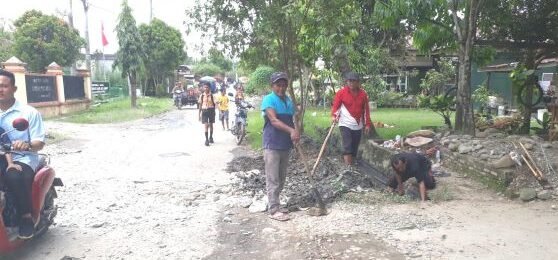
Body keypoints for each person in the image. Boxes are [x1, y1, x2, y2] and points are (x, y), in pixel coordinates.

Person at [0, 69, 46, 239]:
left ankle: (25, 217)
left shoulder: (28, 113)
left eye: (4, 86)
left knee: (13, 176)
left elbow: (39, 143)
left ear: (14, 89)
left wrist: (25, 145)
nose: (0, 90)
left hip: (23, 157)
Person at [261, 72, 300, 221]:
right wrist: (291, 130)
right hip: (272, 143)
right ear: (272, 86)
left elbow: (293, 118)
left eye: (284, 85)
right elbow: (274, 121)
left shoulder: (288, 101)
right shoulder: (269, 100)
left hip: (285, 144)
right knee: (273, 177)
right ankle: (273, 209)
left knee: (282, 177)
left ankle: (277, 203)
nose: (281, 88)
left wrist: (296, 132)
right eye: (278, 85)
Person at [331, 71, 371, 172]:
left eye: (353, 81)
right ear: (346, 82)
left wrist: (367, 124)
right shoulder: (341, 93)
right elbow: (336, 107)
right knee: (347, 145)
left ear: (358, 82)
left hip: (358, 124)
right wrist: (334, 116)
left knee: (355, 146)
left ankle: (352, 165)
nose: (351, 83)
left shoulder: (363, 94)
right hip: (345, 123)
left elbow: (366, 110)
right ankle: (348, 168)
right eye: (349, 81)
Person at [198, 82, 216, 146]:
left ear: (209, 88)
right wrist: (199, 115)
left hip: (211, 110)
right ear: (203, 88)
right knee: (206, 125)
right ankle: (206, 140)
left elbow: (215, 103)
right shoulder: (202, 96)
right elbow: (200, 105)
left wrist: (217, 110)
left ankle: (211, 137)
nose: (205, 88)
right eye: (204, 87)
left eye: (207, 87)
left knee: (211, 124)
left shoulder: (212, 95)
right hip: (204, 111)